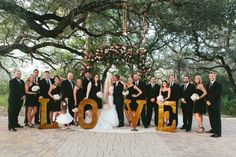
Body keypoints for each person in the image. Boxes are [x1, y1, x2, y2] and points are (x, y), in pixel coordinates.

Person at [205, 72, 222, 137]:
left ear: (215, 76)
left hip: (215, 104)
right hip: (209, 104)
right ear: (209, 77)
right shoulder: (207, 85)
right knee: (211, 117)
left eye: (212, 76)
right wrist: (207, 101)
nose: (211, 77)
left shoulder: (218, 84)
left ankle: (218, 133)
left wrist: (210, 101)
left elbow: (217, 95)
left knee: (216, 118)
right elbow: (206, 94)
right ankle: (213, 129)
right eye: (210, 76)